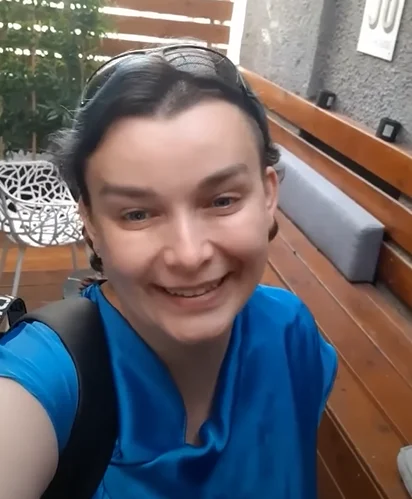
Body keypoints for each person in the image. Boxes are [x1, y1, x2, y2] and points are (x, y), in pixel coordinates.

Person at [0, 45, 337, 498]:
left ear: (268, 195)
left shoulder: (290, 332)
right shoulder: (43, 381)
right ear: (91, 223)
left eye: (222, 200)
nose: (188, 254)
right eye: (137, 213)